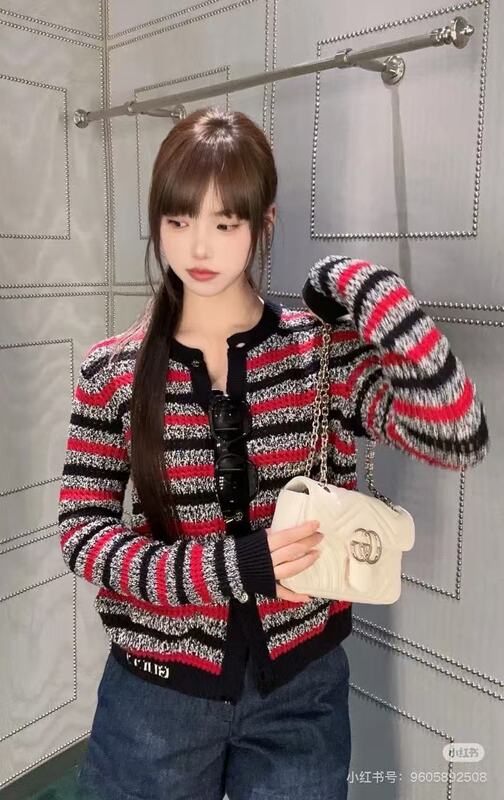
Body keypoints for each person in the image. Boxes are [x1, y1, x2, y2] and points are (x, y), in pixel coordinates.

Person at [60, 107, 490, 800]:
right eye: (178, 220)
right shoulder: (112, 371)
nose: (199, 246)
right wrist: (237, 568)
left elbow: (454, 431)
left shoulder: (320, 352)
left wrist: (362, 287)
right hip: (156, 698)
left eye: (225, 223)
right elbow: (83, 536)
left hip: (300, 692)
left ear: (264, 224)